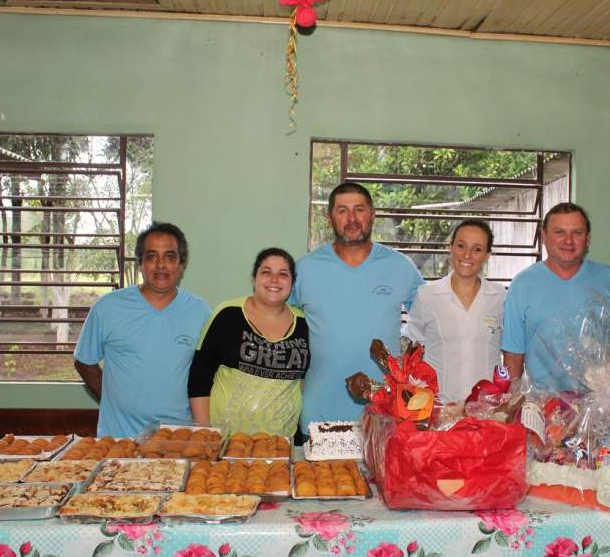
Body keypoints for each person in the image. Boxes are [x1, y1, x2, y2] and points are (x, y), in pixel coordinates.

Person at [290, 182, 424, 433]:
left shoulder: (400, 267)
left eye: (359, 209)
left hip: (385, 416)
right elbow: (276, 323)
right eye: (342, 211)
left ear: (372, 214)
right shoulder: (304, 270)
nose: (351, 218)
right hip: (319, 412)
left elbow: (433, 317)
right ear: (330, 218)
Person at [74, 222, 211, 438]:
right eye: (151, 256)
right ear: (140, 263)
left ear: (181, 264)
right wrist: (114, 400)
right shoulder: (107, 307)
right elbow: (84, 361)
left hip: (178, 439)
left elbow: (207, 374)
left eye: (170, 256)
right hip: (118, 439)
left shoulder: (200, 311)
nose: (161, 265)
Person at [502, 202, 610, 390]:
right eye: (559, 232)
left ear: (588, 238)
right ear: (544, 236)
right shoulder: (522, 284)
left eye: (577, 233)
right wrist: (510, 403)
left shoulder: (607, 277)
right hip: (543, 404)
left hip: (601, 401)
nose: (568, 241)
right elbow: (513, 355)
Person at [187, 248, 309, 438]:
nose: (274, 280)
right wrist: (206, 435)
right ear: (254, 279)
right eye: (266, 272)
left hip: (281, 445)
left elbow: (303, 383)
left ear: (292, 283)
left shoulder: (304, 324)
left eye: (283, 274)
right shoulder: (227, 314)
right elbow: (199, 378)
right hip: (225, 442)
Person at [405, 219, 505, 402]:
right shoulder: (427, 295)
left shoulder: (500, 297)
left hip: (487, 408)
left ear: (487, 255)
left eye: (477, 249)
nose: (467, 255)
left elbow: (510, 351)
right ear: (450, 247)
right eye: (461, 246)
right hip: (439, 407)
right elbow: (412, 350)